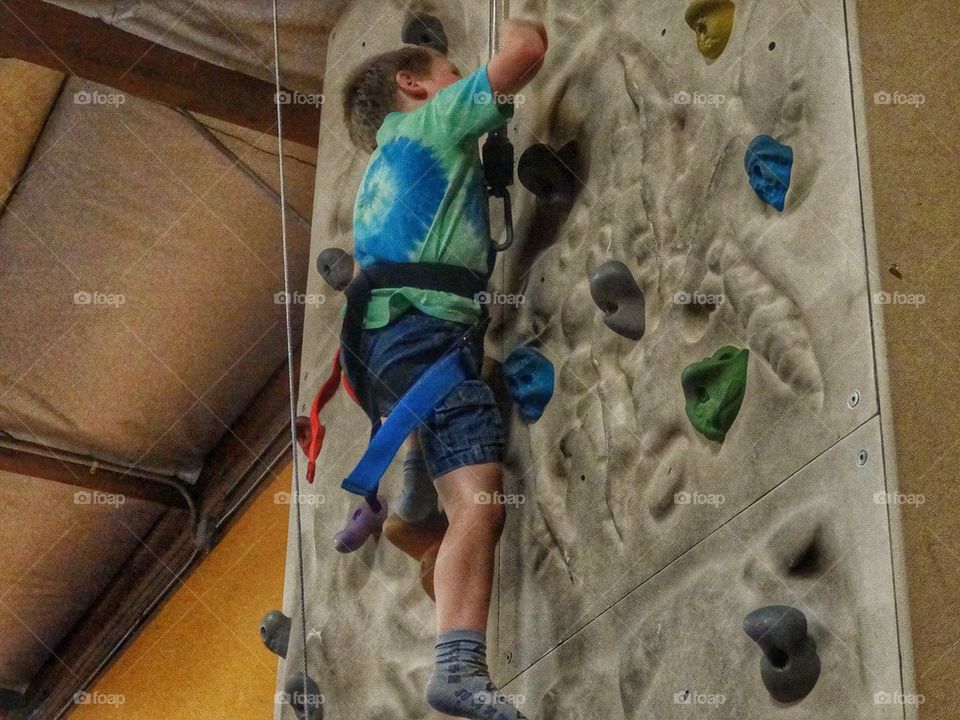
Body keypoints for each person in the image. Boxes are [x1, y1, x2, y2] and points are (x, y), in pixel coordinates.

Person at [340, 18, 548, 720]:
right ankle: (458, 667)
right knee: (481, 502)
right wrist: (519, 20)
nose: (463, 83)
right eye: (452, 74)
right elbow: (526, 52)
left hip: (394, 345)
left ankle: (412, 515)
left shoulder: (381, 170)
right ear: (414, 85)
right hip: (425, 336)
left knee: (449, 432)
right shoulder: (429, 123)